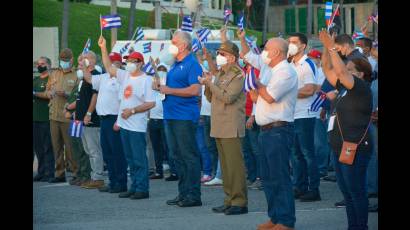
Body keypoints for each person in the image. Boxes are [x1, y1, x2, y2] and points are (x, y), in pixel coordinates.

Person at [239, 29, 297, 230]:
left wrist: (256, 86)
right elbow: (248, 56)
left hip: (279, 130)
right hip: (266, 130)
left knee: (279, 177)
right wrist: (241, 39)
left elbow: (270, 96)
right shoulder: (269, 68)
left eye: (268, 49)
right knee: (268, 177)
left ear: (278, 53)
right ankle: (275, 216)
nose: (264, 52)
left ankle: (286, 221)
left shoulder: (286, 72)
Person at [320, 29, 374, 230]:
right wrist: (327, 48)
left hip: (355, 147)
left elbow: (340, 71)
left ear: (360, 74)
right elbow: (327, 68)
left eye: (350, 69)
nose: (345, 71)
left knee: (356, 191)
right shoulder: (344, 87)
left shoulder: (360, 87)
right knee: (347, 192)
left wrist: (333, 47)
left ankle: (361, 227)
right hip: (339, 147)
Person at [98, 36, 156, 200]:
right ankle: (134, 186)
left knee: (138, 158)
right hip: (124, 125)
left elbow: (151, 103)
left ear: (140, 63)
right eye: (128, 60)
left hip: (136, 125)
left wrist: (132, 111)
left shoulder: (146, 80)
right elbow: (109, 67)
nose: (129, 63)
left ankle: (142, 189)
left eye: (133, 60)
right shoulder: (126, 76)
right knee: (130, 158)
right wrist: (103, 48)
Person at [199, 40, 248, 215]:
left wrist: (211, 84)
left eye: (223, 54)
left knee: (235, 166)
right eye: (219, 53)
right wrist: (207, 83)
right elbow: (213, 97)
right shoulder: (220, 73)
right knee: (226, 167)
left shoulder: (237, 74)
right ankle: (229, 200)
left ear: (232, 57)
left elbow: (228, 98)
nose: (219, 57)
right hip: (219, 124)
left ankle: (240, 202)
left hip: (231, 125)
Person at [160, 31, 203, 207]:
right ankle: (183, 193)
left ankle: (193, 195)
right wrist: (162, 87)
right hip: (171, 115)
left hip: (184, 117)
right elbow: (174, 88)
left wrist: (169, 90)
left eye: (174, 41)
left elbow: (195, 90)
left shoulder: (192, 64)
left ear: (183, 45)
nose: (171, 44)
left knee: (188, 155)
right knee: (176, 155)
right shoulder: (175, 64)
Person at [83, 52, 128, 193]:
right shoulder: (103, 77)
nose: (112, 64)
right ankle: (113, 181)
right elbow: (89, 79)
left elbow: (124, 101)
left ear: (119, 64)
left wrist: (120, 120)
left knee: (117, 152)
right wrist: (85, 66)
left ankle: (121, 183)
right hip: (104, 119)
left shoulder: (122, 78)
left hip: (115, 118)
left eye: (115, 62)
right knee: (107, 152)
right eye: (110, 61)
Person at [287, 33, 321, 202]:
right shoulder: (290, 63)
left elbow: (310, 89)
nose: (290, 45)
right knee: (296, 153)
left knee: (307, 153)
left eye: (294, 42)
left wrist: (288, 94)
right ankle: (299, 187)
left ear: (303, 46)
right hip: (292, 115)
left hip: (305, 114)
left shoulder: (306, 64)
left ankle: (314, 189)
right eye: (289, 42)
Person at [45, 48, 79, 183]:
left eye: (66, 60)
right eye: (62, 60)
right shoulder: (54, 73)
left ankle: (76, 172)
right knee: (57, 147)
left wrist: (65, 94)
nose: (63, 62)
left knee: (71, 147)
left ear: (71, 59)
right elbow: (48, 89)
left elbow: (78, 95)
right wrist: (49, 93)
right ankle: (59, 173)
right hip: (54, 115)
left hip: (68, 116)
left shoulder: (76, 75)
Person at [74, 51, 105, 189]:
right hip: (80, 119)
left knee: (94, 150)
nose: (82, 60)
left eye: (85, 58)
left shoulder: (96, 76)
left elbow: (95, 96)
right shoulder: (83, 77)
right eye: (81, 58)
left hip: (90, 119)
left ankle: (97, 177)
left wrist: (88, 113)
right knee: (86, 149)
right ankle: (92, 176)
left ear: (92, 60)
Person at [64, 55, 92, 186]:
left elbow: (83, 101)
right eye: (78, 66)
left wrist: (71, 108)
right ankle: (79, 173)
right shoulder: (79, 82)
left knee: (82, 149)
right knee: (75, 147)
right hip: (75, 120)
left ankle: (85, 175)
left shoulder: (88, 81)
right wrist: (68, 109)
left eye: (81, 66)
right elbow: (72, 98)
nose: (78, 69)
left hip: (81, 119)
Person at [148, 63, 178, 180]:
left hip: (164, 120)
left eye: (163, 69)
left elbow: (160, 85)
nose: (161, 71)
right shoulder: (153, 82)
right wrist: (154, 73)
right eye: (159, 69)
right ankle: (158, 171)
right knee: (156, 147)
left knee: (169, 147)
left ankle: (174, 171)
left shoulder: (168, 83)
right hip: (153, 120)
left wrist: (155, 69)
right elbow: (154, 86)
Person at [241, 57, 262, 190]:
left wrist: (253, 116)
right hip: (243, 113)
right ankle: (252, 176)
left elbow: (258, 97)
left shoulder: (257, 71)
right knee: (246, 148)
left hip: (252, 114)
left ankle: (260, 178)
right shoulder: (244, 70)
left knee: (256, 149)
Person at [33, 56, 55, 182]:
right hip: (35, 118)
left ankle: (49, 172)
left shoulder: (51, 79)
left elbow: (49, 95)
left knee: (48, 146)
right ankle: (41, 171)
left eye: (42, 63)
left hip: (46, 117)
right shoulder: (35, 79)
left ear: (49, 65)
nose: (40, 65)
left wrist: (35, 94)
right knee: (38, 147)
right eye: (38, 63)